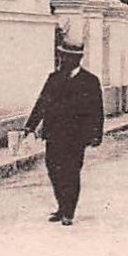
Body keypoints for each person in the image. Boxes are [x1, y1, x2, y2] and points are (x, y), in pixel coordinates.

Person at [22, 26, 104, 226]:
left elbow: (97, 110)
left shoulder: (90, 81)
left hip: (76, 137)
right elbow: (41, 103)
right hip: (54, 134)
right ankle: (61, 206)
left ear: (77, 59)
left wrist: (96, 135)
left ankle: (69, 211)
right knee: (53, 169)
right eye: (61, 56)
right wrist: (30, 127)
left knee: (71, 171)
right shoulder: (54, 78)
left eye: (67, 57)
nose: (62, 60)